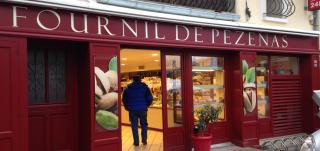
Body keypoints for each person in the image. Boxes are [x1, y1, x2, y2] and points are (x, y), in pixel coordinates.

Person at [122, 75, 153, 146]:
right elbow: (150, 98)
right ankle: (144, 141)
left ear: (133, 80)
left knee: (134, 126)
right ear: (140, 79)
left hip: (132, 110)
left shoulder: (127, 88)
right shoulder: (145, 87)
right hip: (143, 109)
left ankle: (136, 142)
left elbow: (124, 100)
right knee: (144, 125)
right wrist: (146, 105)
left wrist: (127, 107)